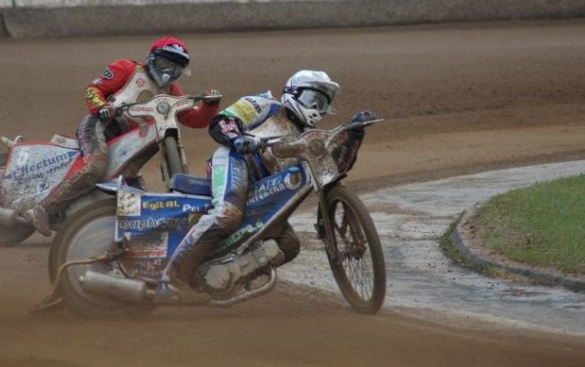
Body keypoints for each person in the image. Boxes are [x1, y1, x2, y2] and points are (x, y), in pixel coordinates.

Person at [163, 69, 375, 300]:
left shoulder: (308, 138)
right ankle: (175, 275)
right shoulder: (266, 104)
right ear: (293, 93)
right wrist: (238, 139)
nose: (315, 108)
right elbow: (223, 121)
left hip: (266, 186)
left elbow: (333, 170)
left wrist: (354, 135)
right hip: (236, 160)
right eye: (311, 99)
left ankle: (221, 278)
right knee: (228, 214)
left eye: (322, 103)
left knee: (289, 244)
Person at [29, 37, 222, 237]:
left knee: (134, 190)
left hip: (130, 143)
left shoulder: (171, 92)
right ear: (151, 58)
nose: (168, 72)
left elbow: (194, 119)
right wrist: (102, 106)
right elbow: (93, 90)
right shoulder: (127, 68)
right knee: (95, 167)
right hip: (100, 125)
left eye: (176, 69)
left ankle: (122, 232)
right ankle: (44, 207)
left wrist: (210, 105)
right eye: (165, 63)